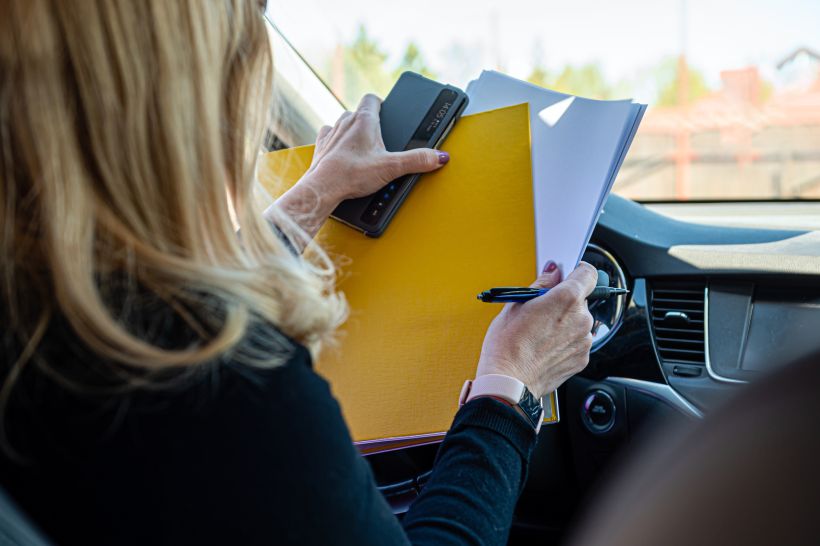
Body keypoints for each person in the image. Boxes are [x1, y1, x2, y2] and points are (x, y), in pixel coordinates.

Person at [0, 1, 596, 545]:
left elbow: (160, 304)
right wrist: (507, 388)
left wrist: (318, 191)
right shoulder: (212, 385)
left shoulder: (40, 311)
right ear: (182, 104)